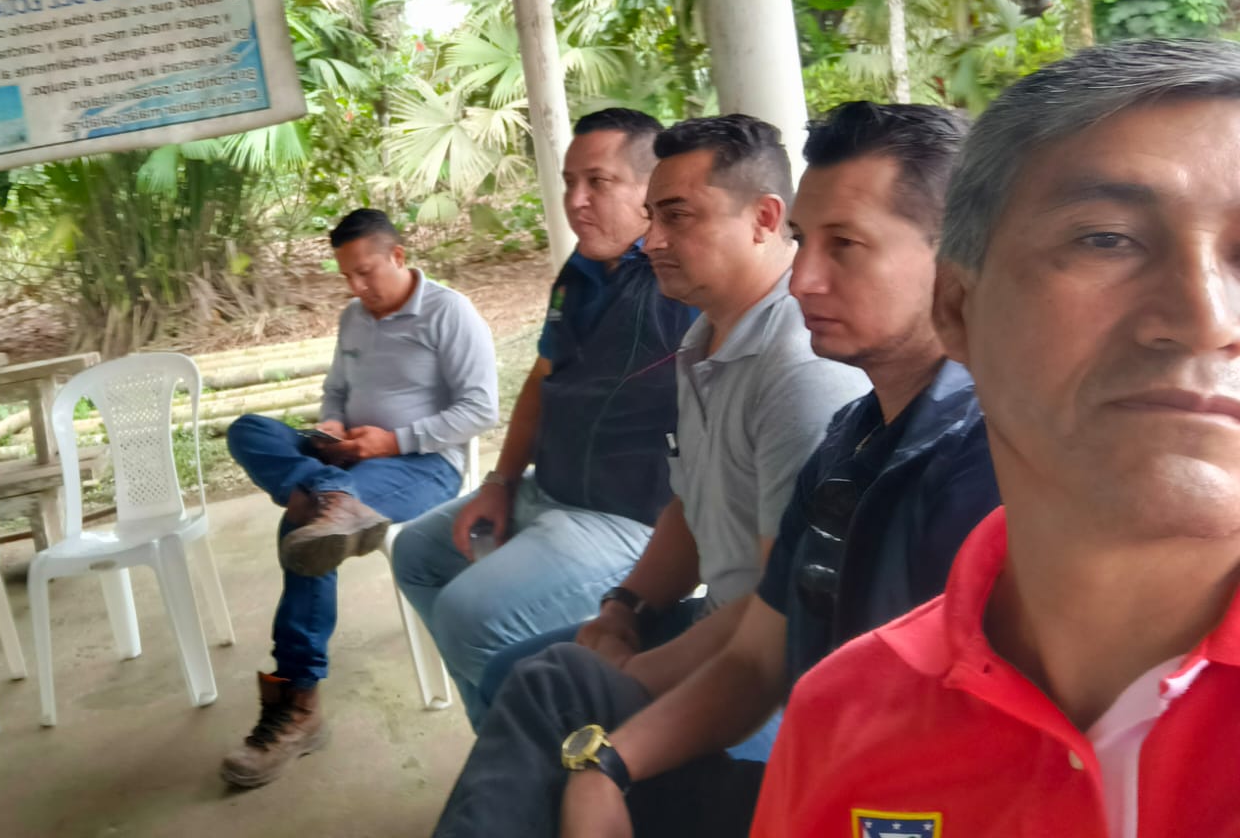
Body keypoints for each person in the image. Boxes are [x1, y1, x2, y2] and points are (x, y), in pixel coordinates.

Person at [437, 102, 1000, 838]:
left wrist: (626, 698)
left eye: (846, 245)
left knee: (546, 704)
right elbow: (761, 653)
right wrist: (609, 759)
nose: (803, 280)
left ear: (956, 260)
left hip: (881, 804)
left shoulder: (988, 469)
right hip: (818, 760)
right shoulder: (848, 440)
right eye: (806, 242)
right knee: (558, 691)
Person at [753, 40, 1240, 836]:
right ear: (957, 309)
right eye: (1107, 239)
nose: (1207, 317)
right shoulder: (843, 718)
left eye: (844, 243)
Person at [392, 109, 696, 727]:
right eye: (569, 182)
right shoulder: (582, 271)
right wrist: (500, 482)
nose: (575, 202)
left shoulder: (681, 281)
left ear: (652, 191)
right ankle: (506, 737)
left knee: (469, 615)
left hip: (627, 519)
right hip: (548, 491)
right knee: (417, 554)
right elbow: (542, 378)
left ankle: (535, 751)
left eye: (598, 182)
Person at [221, 208, 498, 789]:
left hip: (422, 466)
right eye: (346, 275)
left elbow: (481, 409)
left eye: (366, 272)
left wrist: (393, 441)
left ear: (398, 256)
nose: (355, 287)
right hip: (346, 460)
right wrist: (331, 426)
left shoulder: (449, 312)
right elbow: (336, 390)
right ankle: (329, 494)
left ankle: (298, 703)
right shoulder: (353, 317)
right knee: (249, 429)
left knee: (304, 532)